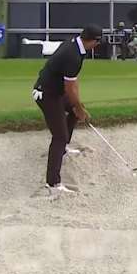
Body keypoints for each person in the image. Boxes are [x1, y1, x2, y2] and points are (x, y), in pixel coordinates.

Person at [32, 25, 102, 193]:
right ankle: (53, 183)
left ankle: (63, 150)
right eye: (97, 42)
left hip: (55, 91)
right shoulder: (73, 56)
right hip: (46, 95)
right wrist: (78, 107)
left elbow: (72, 82)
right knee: (60, 136)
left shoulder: (74, 46)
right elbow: (69, 88)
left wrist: (78, 106)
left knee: (73, 111)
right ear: (93, 41)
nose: (97, 45)